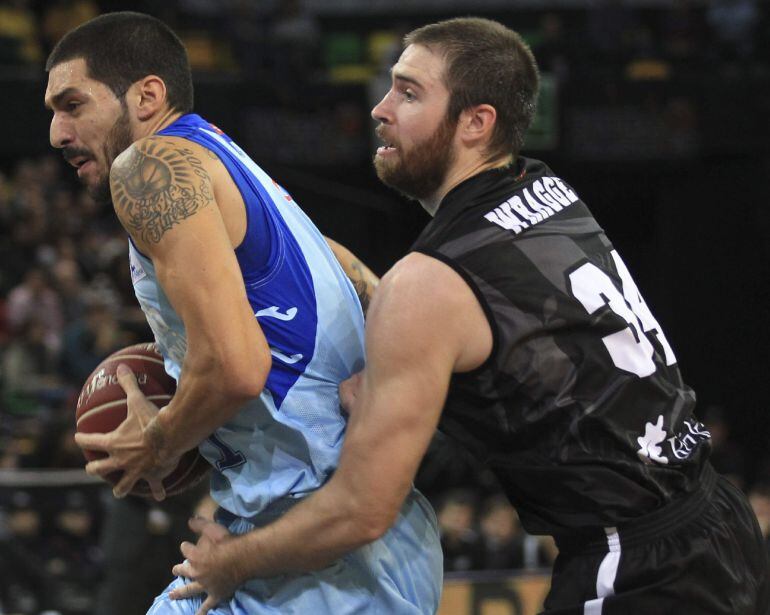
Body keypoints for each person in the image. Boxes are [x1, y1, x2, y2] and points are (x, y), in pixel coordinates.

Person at [167, 16, 770, 615]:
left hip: (637, 564)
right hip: (718, 517)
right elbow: (526, 350)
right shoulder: (546, 190)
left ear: (476, 122)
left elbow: (359, 512)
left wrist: (231, 563)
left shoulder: (431, 282)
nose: (380, 108)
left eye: (408, 92)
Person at [44, 11, 441, 615]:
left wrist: (159, 440)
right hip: (356, 539)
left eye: (73, 105)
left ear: (147, 96)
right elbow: (360, 281)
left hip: (326, 551)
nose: (56, 132)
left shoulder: (147, 172)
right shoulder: (227, 162)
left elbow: (235, 367)